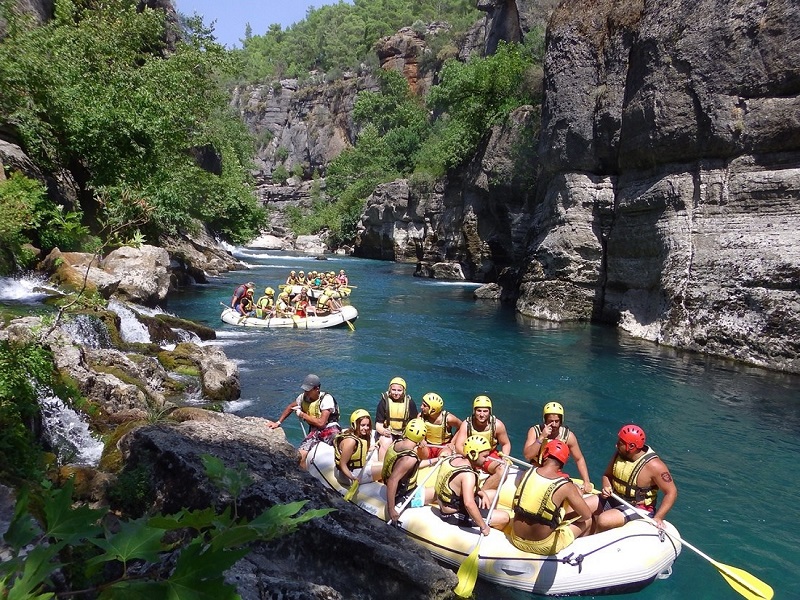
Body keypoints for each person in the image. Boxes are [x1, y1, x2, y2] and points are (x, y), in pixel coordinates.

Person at [510, 440, 600, 555]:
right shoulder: (566, 486)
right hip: (542, 546)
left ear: (545, 454)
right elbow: (586, 515)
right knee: (587, 521)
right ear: (563, 462)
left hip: (516, 538)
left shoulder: (527, 473)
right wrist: (565, 521)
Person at [597, 424, 677, 531]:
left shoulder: (655, 466)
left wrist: (659, 517)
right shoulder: (619, 454)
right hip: (615, 498)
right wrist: (606, 486)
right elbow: (606, 475)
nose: (616, 445)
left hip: (638, 508)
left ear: (631, 447)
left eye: (620, 443)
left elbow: (671, 492)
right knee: (584, 506)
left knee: (604, 520)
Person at [434, 435, 510, 535]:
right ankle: (489, 530)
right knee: (505, 517)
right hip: (452, 514)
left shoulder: (454, 459)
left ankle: (489, 519)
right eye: (485, 456)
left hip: (454, 504)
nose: (487, 460)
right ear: (473, 454)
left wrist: (481, 493)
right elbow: (469, 504)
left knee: (493, 494)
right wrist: (483, 526)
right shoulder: (468, 475)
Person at [265, 374, 341, 469]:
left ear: (317, 389)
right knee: (300, 456)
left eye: (308, 390)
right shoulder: (302, 397)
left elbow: (321, 423)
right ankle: (306, 476)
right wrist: (278, 422)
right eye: (305, 390)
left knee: (335, 451)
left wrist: (302, 415)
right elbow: (290, 407)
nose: (306, 392)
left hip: (330, 428)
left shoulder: (326, 399)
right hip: (314, 430)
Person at [523, 402, 594, 493]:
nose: (554, 424)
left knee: (577, 492)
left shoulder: (568, 436)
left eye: (557, 421)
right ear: (545, 420)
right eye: (550, 421)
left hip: (555, 476)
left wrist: (586, 481)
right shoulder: (535, 431)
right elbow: (527, 455)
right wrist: (541, 437)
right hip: (536, 472)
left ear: (561, 420)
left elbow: (579, 459)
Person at [383, 418, 439, 525]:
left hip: (399, 490)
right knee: (439, 492)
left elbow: (411, 465)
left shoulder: (397, 443)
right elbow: (392, 481)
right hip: (402, 497)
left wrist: (436, 460)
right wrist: (391, 509)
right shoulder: (410, 458)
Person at [452, 395, 511, 490]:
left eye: (485, 411)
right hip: (469, 456)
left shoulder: (498, 425)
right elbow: (459, 446)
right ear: (474, 411)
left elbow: (506, 444)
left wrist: (505, 457)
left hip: (488, 456)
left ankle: (481, 493)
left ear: (490, 412)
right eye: (479, 411)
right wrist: (471, 457)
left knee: (502, 470)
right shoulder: (466, 424)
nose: (482, 414)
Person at [333, 409, 382, 486]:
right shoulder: (351, 441)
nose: (366, 428)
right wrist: (352, 478)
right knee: (386, 469)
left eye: (367, 425)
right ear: (355, 424)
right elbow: (342, 464)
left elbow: (355, 452)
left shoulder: (357, 436)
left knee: (384, 464)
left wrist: (369, 449)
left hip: (355, 468)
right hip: (346, 475)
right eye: (362, 425)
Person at [375, 376, 418, 460]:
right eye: (393, 390)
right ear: (389, 390)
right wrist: (383, 431)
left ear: (404, 391)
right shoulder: (384, 402)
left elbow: (415, 422)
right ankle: (381, 466)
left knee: (411, 446)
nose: (396, 393)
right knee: (385, 442)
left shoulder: (410, 403)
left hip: (404, 433)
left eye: (399, 390)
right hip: (388, 433)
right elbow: (378, 424)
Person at [418, 392, 461, 460]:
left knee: (445, 456)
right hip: (427, 446)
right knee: (417, 451)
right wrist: (421, 440)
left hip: (443, 447)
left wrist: (452, 443)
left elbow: (461, 427)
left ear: (433, 409)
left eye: (424, 405)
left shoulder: (448, 418)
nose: (421, 407)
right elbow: (417, 430)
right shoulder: (420, 417)